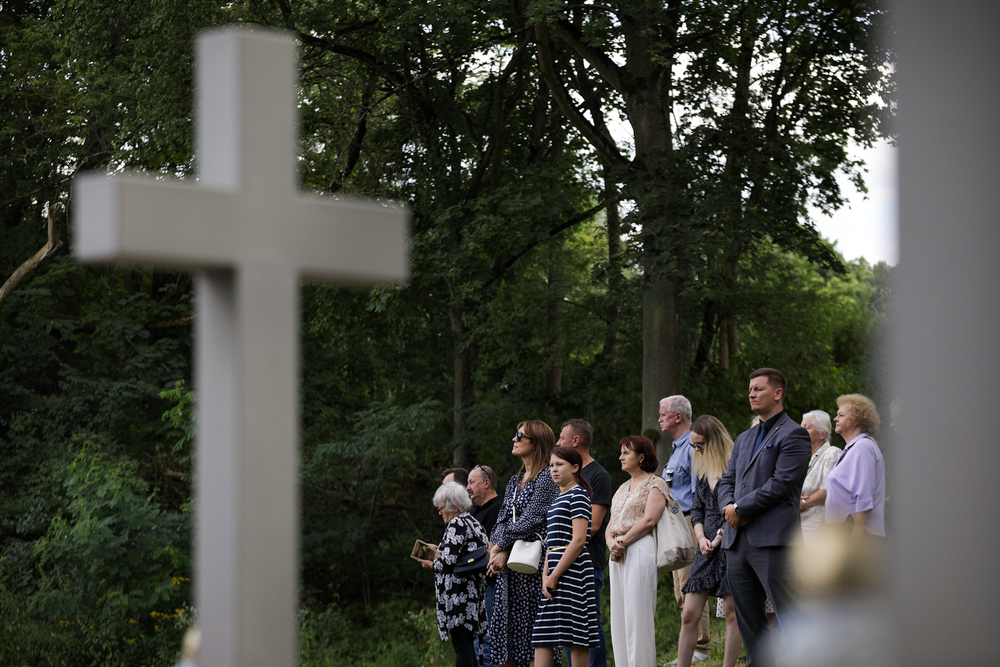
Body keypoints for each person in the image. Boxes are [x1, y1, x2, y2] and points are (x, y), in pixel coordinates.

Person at [718, 368, 810, 667]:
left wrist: (741, 509)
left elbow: (782, 484)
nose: (751, 394)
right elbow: (726, 480)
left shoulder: (794, 433)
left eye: (758, 389)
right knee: (749, 622)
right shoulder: (744, 438)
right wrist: (728, 507)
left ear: (777, 393)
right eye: (750, 389)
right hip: (736, 542)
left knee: (790, 615)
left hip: (773, 539)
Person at [488, 420, 561, 667]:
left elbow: (531, 519)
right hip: (510, 571)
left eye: (520, 436)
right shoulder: (514, 480)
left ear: (537, 443)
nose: (514, 439)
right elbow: (501, 520)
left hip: (534, 567)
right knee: (508, 638)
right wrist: (500, 548)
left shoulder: (548, 478)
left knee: (533, 638)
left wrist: (499, 547)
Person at [676, 416, 743, 667]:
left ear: (715, 441)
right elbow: (697, 508)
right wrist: (702, 538)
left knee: (731, 613)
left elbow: (740, 508)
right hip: (706, 547)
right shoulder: (703, 471)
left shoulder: (735, 468)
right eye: (694, 445)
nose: (697, 450)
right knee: (689, 613)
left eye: (700, 444)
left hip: (733, 539)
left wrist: (720, 536)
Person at [532, 446, 602, 667]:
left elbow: (579, 540)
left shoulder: (579, 494)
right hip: (554, 567)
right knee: (543, 635)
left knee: (575, 635)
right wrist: (546, 574)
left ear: (574, 468)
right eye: (551, 465)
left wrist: (555, 575)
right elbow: (550, 544)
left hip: (574, 571)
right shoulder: (557, 499)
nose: (554, 469)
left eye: (559, 465)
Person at [605, 435, 669, 667]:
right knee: (620, 616)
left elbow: (650, 520)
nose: (620, 456)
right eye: (621, 452)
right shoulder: (622, 487)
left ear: (641, 457)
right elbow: (611, 523)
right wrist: (611, 542)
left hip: (640, 547)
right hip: (617, 551)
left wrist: (621, 543)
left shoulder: (655, 483)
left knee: (637, 615)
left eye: (626, 452)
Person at [658, 396, 712, 664]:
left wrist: (698, 527)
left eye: (663, 414)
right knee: (680, 587)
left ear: (678, 416)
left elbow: (697, 489)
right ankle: (689, 647)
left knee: (692, 583)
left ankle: (700, 647)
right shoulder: (676, 448)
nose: (659, 419)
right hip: (675, 523)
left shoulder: (692, 446)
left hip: (691, 521)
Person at [557, 419, 611, 667]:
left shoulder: (598, 475)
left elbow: (595, 524)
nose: (557, 443)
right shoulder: (566, 476)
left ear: (575, 441)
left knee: (589, 621)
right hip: (564, 561)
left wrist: (570, 549)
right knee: (568, 625)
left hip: (588, 562)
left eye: (561, 438)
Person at [418, 482, 490, 667]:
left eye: (441, 508)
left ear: (454, 506)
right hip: (472, 595)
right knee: (468, 646)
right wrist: (439, 549)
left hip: (459, 597)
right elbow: (460, 555)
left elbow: (447, 562)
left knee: (462, 647)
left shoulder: (456, 523)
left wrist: (432, 565)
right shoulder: (473, 522)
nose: (439, 512)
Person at [825, 394, 886, 540]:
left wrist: (857, 530)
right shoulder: (854, 448)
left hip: (854, 532)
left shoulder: (862, 447)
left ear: (857, 420)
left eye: (841, 415)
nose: (835, 418)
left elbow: (864, 491)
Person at [468, 464, 502, 666]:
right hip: (474, 586)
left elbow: (488, 550)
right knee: (476, 644)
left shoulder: (498, 508)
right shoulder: (473, 510)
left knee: (486, 643)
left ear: (487, 483)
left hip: (491, 584)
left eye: (472, 482)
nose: (468, 487)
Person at [797, 410, 840, 547]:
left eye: (807, 427)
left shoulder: (832, 453)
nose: (801, 431)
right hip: (797, 528)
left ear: (823, 434)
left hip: (817, 529)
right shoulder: (801, 457)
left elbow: (829, 490)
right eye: (801, 427)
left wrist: (802, 502)